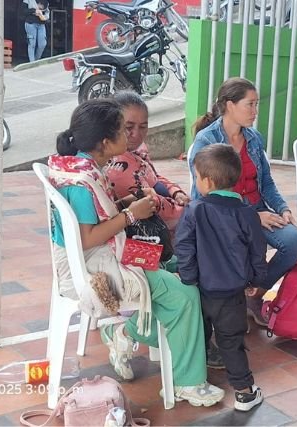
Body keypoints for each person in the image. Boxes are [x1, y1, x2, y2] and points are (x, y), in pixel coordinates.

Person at [47, 99, 224, 407]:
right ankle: (186, 382)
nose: (128, 135)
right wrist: (131, 215)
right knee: (185, 295)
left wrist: (129, 203)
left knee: (175, 263)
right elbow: (88, 237)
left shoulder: (79, 166)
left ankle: (128, 334)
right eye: (122, 129)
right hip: (98, 266)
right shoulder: (81, 181)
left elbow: (97, 219)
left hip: (105, 255)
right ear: (105, 142)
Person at [190, 77, 297, 327]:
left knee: (295, 241)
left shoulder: (254, 138)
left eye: (257, 105)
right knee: (247, 246)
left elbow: (266, 182)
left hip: (258, 210)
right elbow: (206, 196)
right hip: (223, 215)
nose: (255, 111)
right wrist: (252, 216)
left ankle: (255, 294)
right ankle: (233, 303)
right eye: (249, 105)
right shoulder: (206, 141)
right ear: (230, 105)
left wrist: (283, 209)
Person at [175, 144, 267, 412]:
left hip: (201, 291)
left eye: (196, 177)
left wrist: (189, 278)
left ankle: (195, 382)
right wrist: (256, 280)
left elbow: (184, 246)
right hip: (232, 295)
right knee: (232, 343)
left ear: (208, 181)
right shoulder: (247, 214)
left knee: (198, 338)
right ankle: (244, 394)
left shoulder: (195, 210)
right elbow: (257, 250)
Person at [104, 91, 190, 232]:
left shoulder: (138, 149)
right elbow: (153, 206)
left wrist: (175, 192)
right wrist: (186, 210)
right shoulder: (115, 168)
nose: (137, 134)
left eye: (143, 127)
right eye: (128, 127)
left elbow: (152, 176)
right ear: (113, 126)